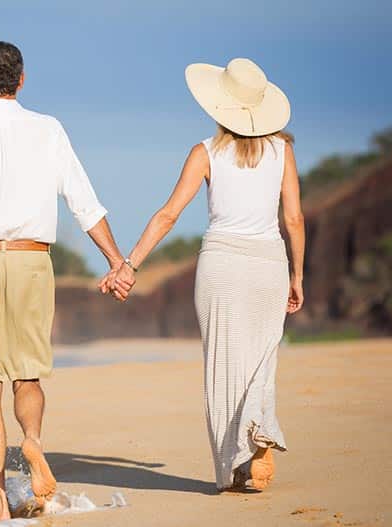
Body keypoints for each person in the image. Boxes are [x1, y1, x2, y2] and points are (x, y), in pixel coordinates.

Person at [0, 41, 126, 520]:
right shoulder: (48, 129)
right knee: (27, 372)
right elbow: (84, 202)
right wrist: (117, 260)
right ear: (21, 80)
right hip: (31, 260)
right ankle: (32, 443)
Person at [103, 58, 306, 491]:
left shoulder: (205, 152)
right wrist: (299, 274)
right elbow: (294, 220)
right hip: (270, 262)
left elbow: (168, 215)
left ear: (220, 105)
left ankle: (236, 466)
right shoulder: (283, 152)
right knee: (261, 362)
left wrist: (129, 265)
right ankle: (259, 438)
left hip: (222, 265)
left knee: (222, 367)